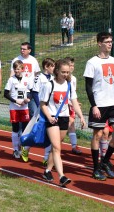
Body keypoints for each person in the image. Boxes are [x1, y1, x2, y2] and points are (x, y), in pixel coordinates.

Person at [83, 32, 114, 181]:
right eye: (107, 41)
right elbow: (88, 87)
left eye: (111, 41)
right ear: (99, 43)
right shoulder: (92, 62)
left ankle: (105, 161)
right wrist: (93, 105)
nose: (110, 44)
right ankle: (96, 168)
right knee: (98, 135)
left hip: (113, 103)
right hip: (100, 104)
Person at [40, 59, 86, 187]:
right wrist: (49, 117)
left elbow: (74, 102)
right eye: (63, 72)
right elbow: (43, 104)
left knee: (56, 147)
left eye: (67, 72)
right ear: (57, 71)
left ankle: (48, 170)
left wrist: (81, 117)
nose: (66, 74)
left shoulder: (69, 85)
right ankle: (61, 176)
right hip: (53, 118)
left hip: (64, 118)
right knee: (57, 148)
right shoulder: (50, 85)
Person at [21, 57, 55, 163]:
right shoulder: (39, 77)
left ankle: (46, 158)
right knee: (36, 131)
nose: (54, 68)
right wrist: (40, 106)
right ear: (46, 67)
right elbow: (35, 92)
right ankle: (26, 148)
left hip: (51, 109)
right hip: (41, 108)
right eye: (52, 66)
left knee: (50, 133)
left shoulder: (53, 78)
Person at [5, 60, 31, 158]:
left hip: (24, 108)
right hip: (14, 108)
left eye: (18, 69)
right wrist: (15, 101)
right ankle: (15, 149)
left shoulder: (27, 79)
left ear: (22, 69)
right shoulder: (11, 80)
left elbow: (30, 92)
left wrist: (28, 99)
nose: (17, 71)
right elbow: (6, 94)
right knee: (15, 129)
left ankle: (22, 147)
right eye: (15, 69)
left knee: (25, 129)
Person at [10, 42, 40, 117]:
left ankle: (31, 128)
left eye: (24, 49)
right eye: (21, 49)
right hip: (19, 90)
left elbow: (37, 74)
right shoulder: (16, 60)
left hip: (31, 90)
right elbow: (12, 74)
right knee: (20, 112)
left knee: (33, 112)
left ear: (29, 50)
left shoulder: (33, 60)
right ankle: (20, 129)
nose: (22, 50)